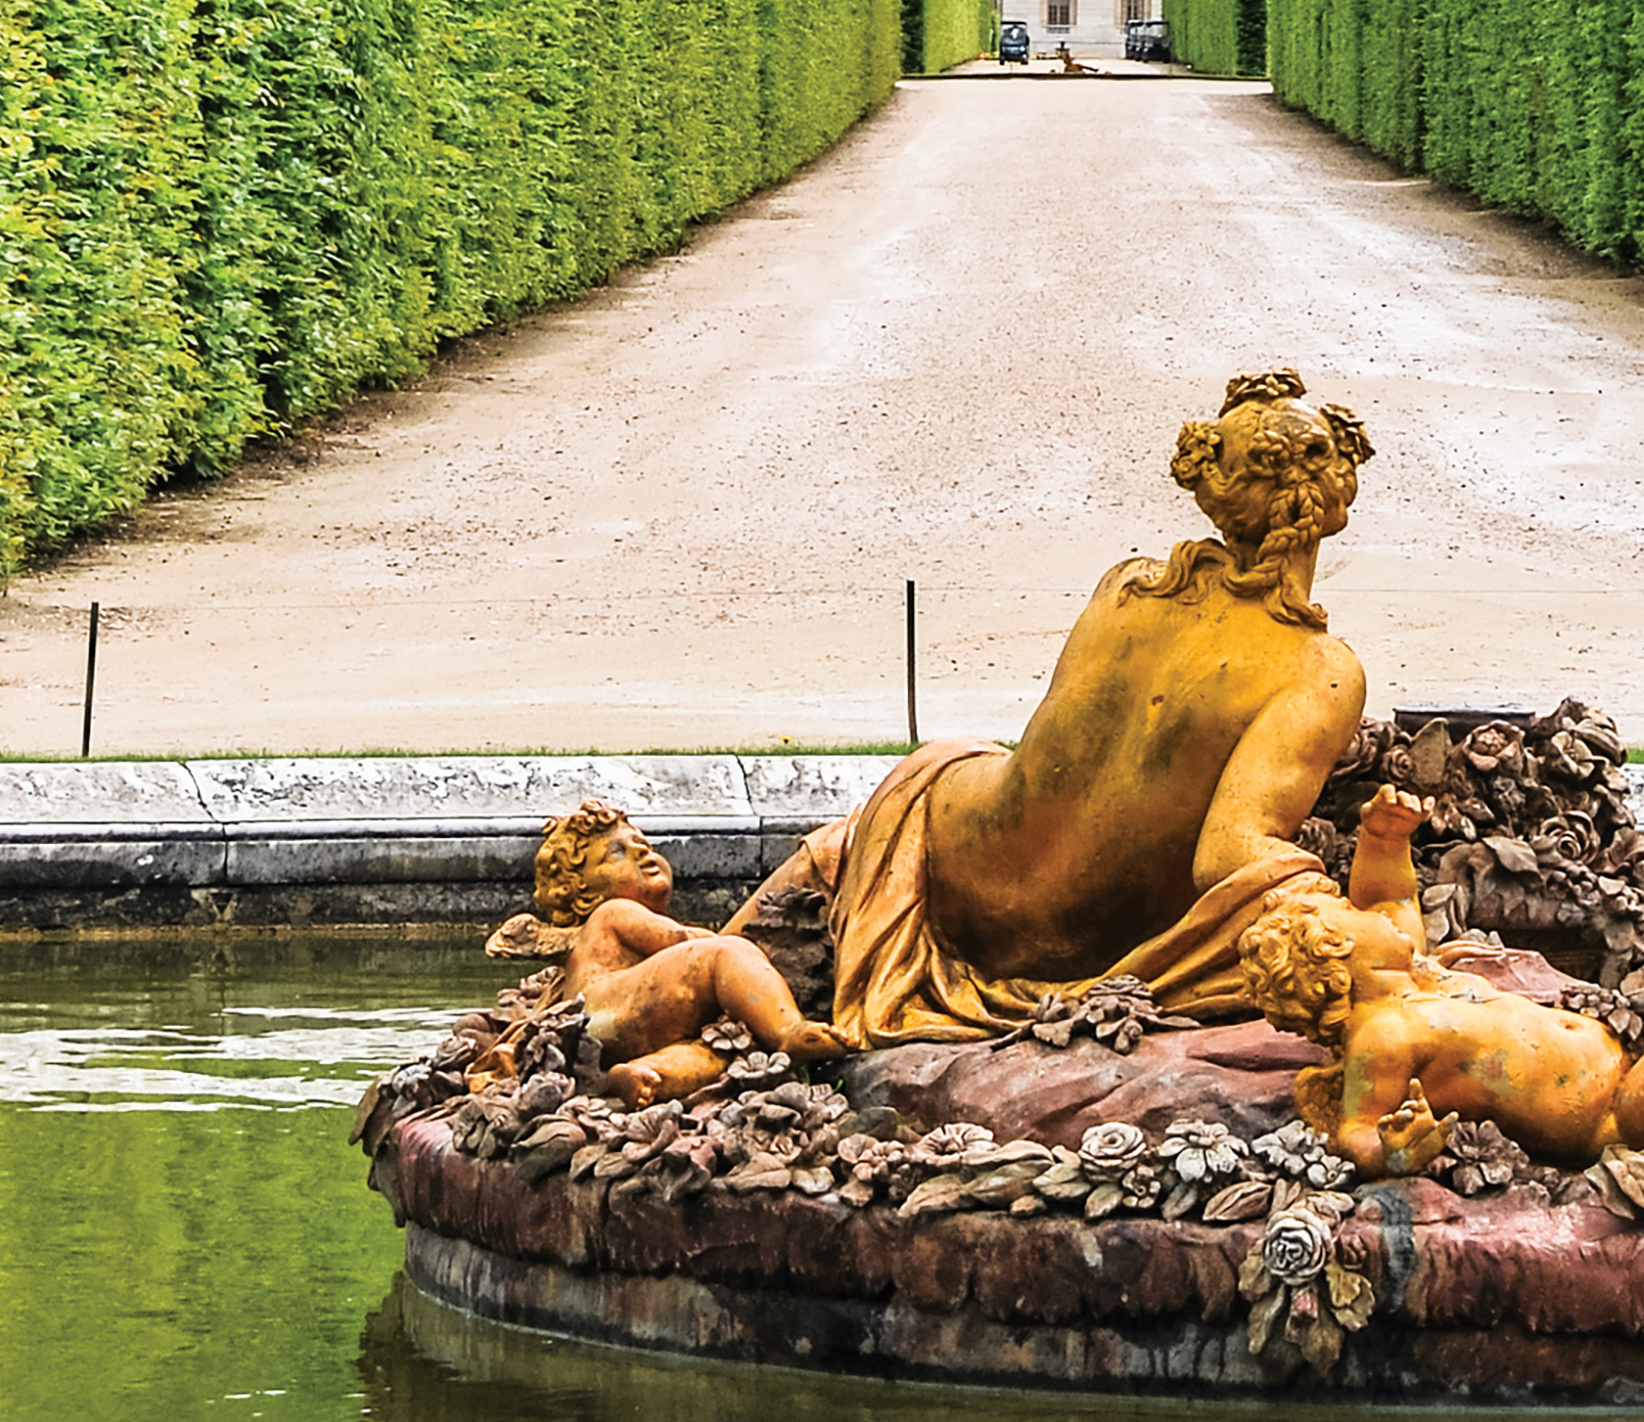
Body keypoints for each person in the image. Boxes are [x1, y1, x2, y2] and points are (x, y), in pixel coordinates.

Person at [726, 370, 1375, 1041]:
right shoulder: (1319, 670)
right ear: (1333, 499)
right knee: (922, 791)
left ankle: (707, 956)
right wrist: (1357, 918)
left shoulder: (1129, 585)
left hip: (951, 851)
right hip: (1072, 946)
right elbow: (1227, 856)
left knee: (914, 788)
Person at [1236, 859, 1644, 1174]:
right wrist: (1395, 1150)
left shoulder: (1418, 977)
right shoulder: (1384, 1033)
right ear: (1337, 954)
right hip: (1617, 1114)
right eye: (1358, 916)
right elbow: (1356, 1127)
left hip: (1631, 1052)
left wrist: (1387, 835)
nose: (1380, 914)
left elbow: (1394, 894)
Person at [486, 801, 841, 1102]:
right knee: (727, 952)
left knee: (721, 1050)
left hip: (606, 1035)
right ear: (582, 894)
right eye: (617, 851)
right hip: (605, 1007)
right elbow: (682, 941)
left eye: (646, 844)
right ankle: (789, 1030)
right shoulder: (612, 912)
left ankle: (646, 1073)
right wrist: (742, 942)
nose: (643, 851)